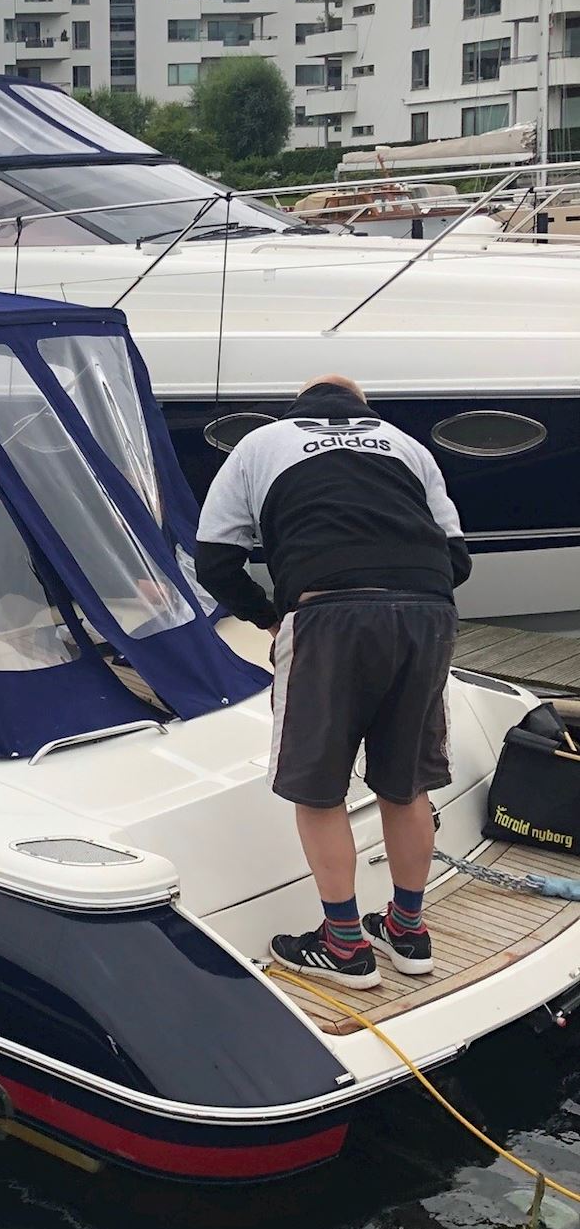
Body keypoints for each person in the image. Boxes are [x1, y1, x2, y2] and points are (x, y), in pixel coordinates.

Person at [195, 374, 471, 986]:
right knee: (407, 784)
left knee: (319, 790)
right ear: (361, 409)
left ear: (300, 406)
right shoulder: (407, 445)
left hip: (326, 615)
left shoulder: (261, 444)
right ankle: (407, 929)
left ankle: (344, 945)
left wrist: (272, 618)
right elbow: (456, 559)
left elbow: (214, 557)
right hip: (427, 614)